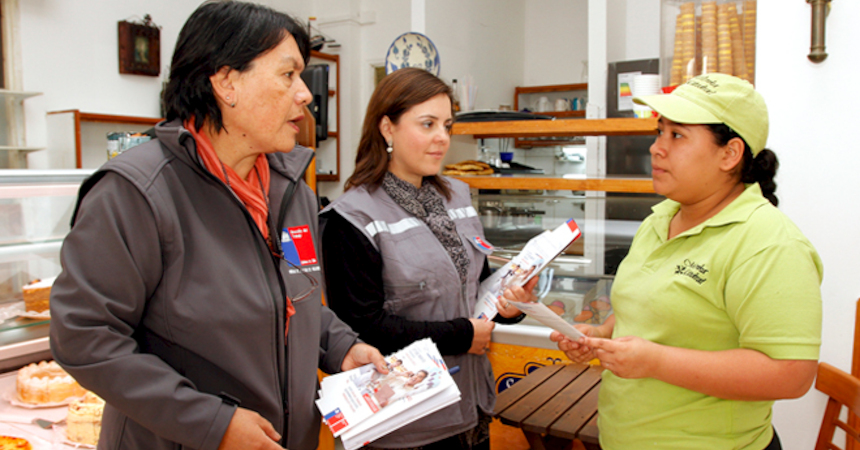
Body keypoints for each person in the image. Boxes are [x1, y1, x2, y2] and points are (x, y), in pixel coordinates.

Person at [49, 3, 387, 450]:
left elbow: (292, 295)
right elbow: (84, 335)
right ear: (226, 82)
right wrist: (212, 423)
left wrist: (341, 346)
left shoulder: (291, 192)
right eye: (288, 75)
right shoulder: (137, 193)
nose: (306, 94)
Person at [551, 73, 822, 450]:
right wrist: (602, 335)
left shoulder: (770, 243)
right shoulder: (660, 219)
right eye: (659, 132)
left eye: (677, 135)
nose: (656, 148)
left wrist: (655, 362)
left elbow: (791, 375)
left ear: (730, 154)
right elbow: (652, 310)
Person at [319, 67, 537, 449]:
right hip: (407, 424)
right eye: (427, 124)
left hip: (471, 406)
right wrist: (463, 334)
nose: (442, 138)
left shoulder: (458, 196)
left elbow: (474, 289)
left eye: (447, 126)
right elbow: (361, 327)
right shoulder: (350, 218)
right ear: (387, 128)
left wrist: (508, 304)